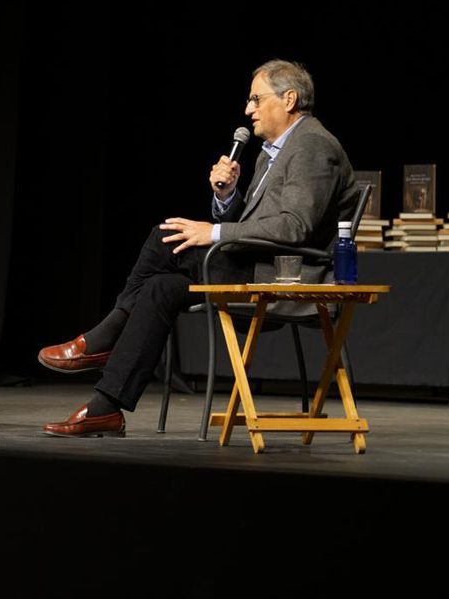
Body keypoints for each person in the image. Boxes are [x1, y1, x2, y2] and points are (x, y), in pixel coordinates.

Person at [38, 60, 359, 437]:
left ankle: (105, 338)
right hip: (257, 267)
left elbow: (293, 226)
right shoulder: (270, 153)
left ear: (289, 99)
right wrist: (226, 197)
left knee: (165, 237)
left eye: (256, 99)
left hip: (286, 281)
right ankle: (105, 408)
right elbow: (258, 226)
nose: (247, 109)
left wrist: (215, 231)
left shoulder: (312, 145)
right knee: (160, 289)